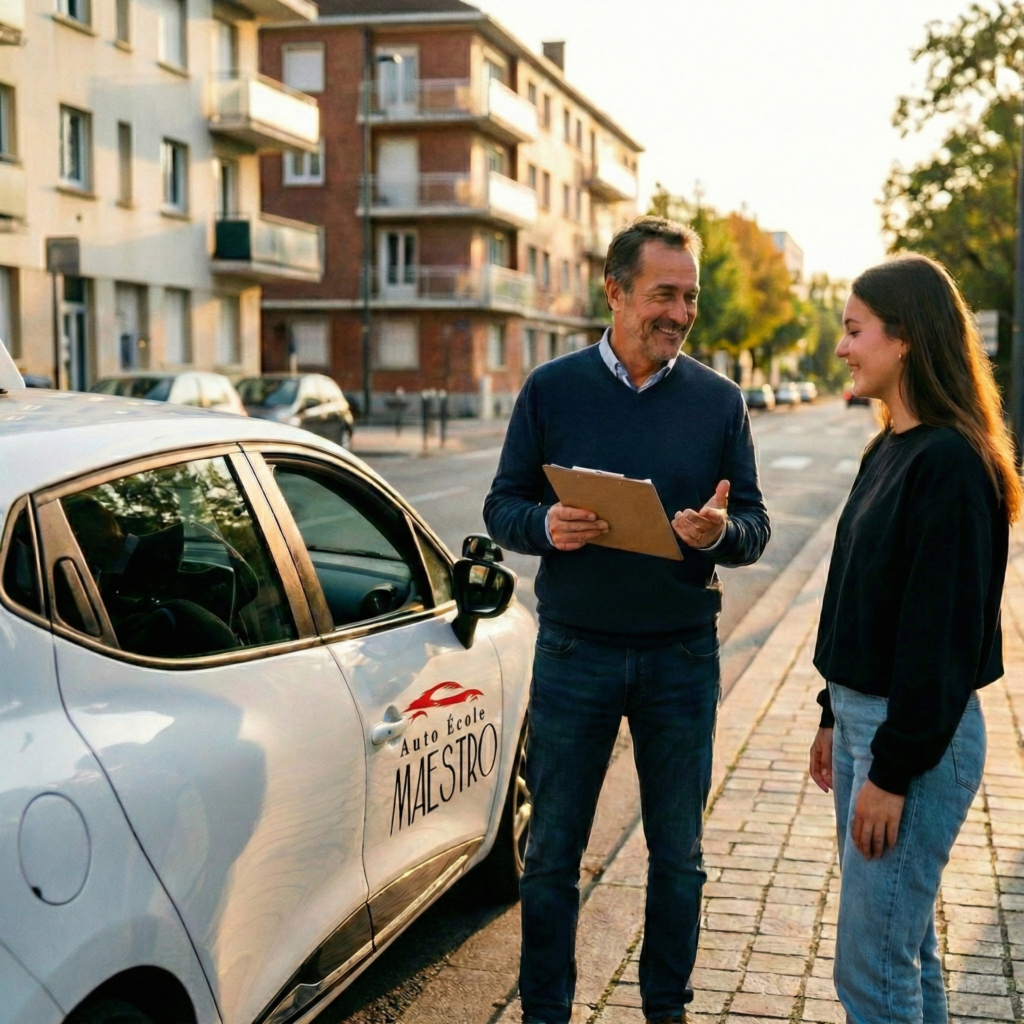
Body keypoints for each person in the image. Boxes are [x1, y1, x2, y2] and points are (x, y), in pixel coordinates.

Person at [483, 216, 771, 1024]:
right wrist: (544, 527)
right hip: (574, 654)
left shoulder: (720, 401)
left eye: (690, 297)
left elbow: (753, 525)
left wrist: (721, 535)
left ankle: (664, 1011)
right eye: (663, 294)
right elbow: (503, 504)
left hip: (681, 659)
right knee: (550, 859)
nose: (679, 312)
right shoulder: (552, 388)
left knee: (677, 859)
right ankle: (546, 1012)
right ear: (614, 290)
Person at [808, 254, 1021, 1024]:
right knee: (904, 951)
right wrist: (832, 712)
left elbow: (939, 641)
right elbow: (859, 600)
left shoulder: (951, 465)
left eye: (854, 330)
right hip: (872, 722)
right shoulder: (890, 448)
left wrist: (891, 771)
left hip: (916, 739)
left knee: (871, 971)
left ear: (905, 341)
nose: (842, 348)